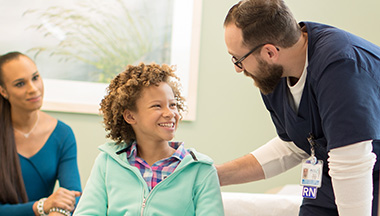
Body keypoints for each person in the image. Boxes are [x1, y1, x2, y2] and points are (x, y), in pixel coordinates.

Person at [217, 0, 380, 215]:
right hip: (329, 176)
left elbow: (352, 161)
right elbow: (293, 146)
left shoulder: (339, 65)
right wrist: (212, 176)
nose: (239, 69)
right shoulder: (274, 76)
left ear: (269, 52)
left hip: (368, 174)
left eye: (238, 59)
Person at [73, 63, 224, 215]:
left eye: (173, 105)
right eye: (157, 106)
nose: (170, 113)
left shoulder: (201, 170)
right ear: (130, 116)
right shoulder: (107, 162)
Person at [0, 51, 82, 216]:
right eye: (20, 84)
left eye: (35, 78)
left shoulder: (62, 134)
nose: (33, 89)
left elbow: (74, 197)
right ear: (3, 91)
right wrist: (41, 206)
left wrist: (56, 211)